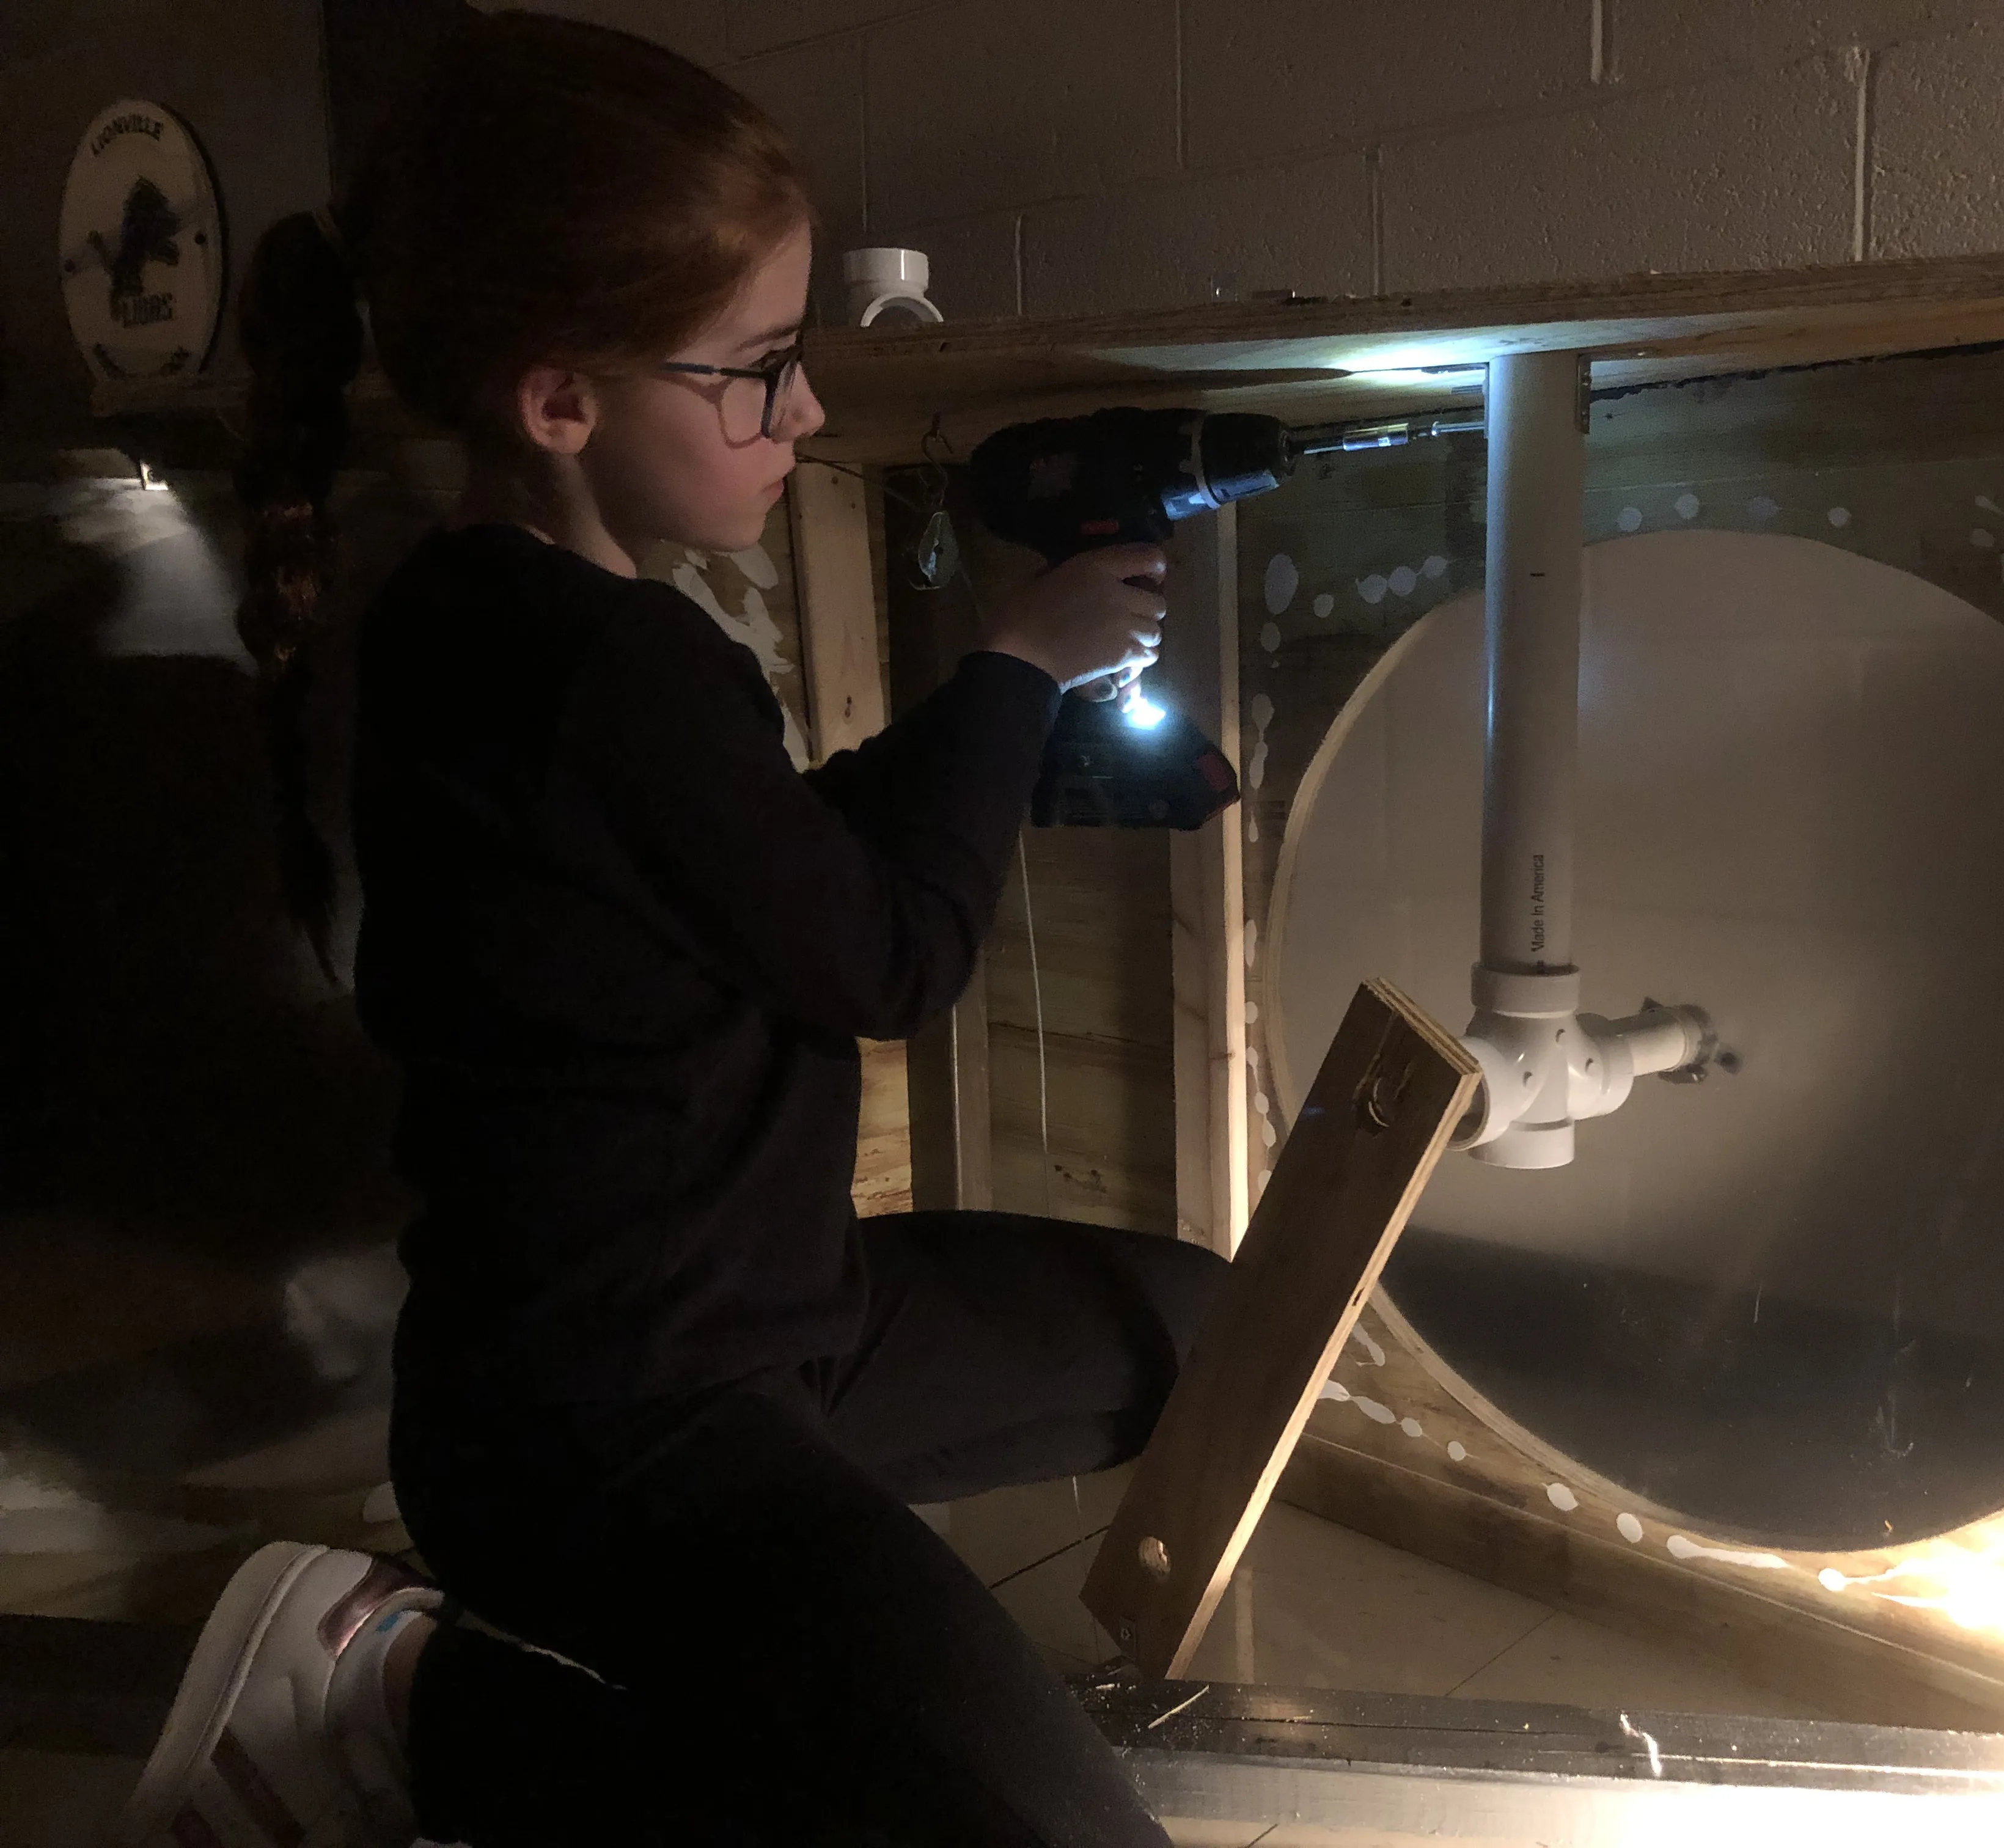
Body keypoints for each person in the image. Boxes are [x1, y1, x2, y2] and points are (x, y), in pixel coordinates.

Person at [114, 13, 1227, 1845]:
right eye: (758, 370)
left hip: (771, 1320)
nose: (805, 412)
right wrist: (1018, 672)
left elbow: (764, 874)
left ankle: (844, 1714)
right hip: (616, 1419)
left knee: (1205, 1331)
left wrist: (991, 707)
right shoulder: (603, 667)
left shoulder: (486, 618)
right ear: (560, 401)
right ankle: (404, 1698)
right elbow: (884, 956)